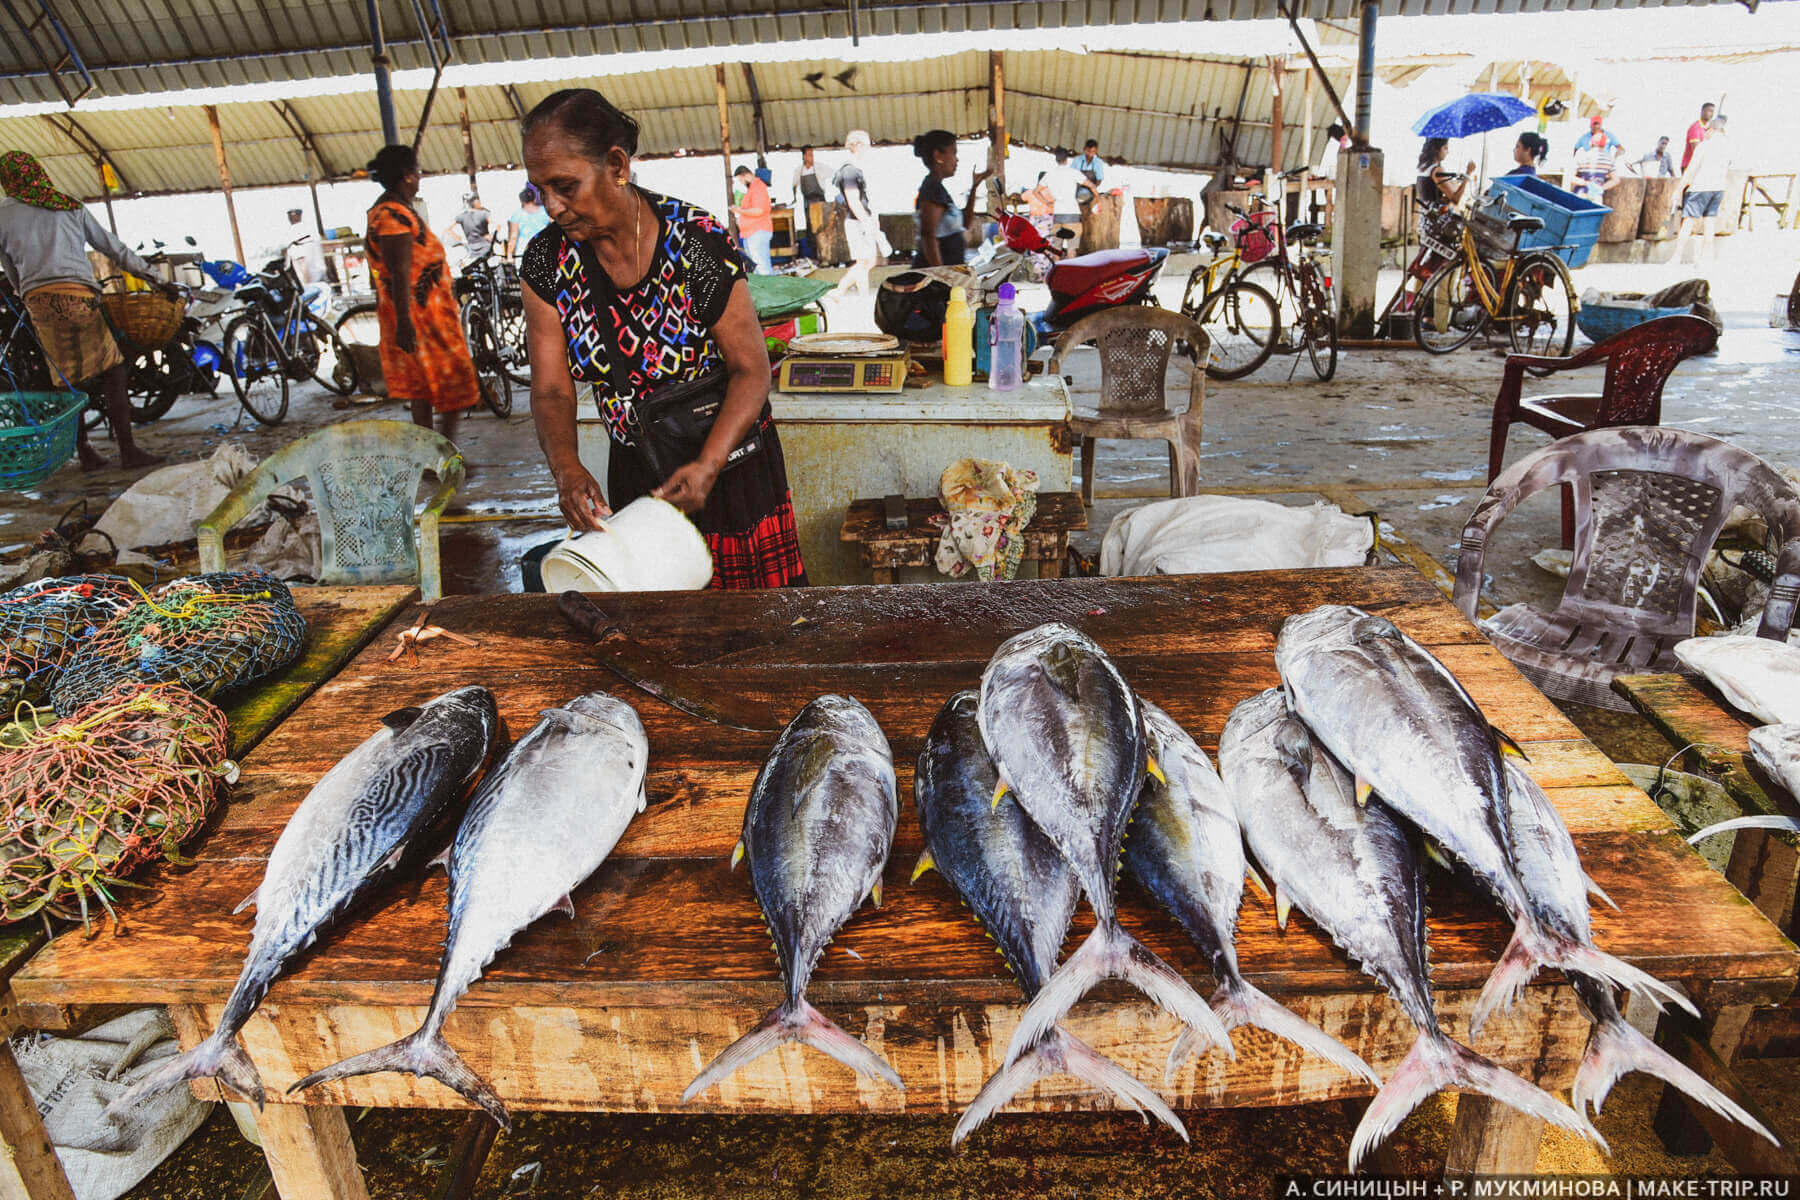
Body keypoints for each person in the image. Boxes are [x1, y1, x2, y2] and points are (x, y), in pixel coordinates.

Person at [519, 88, 805, 589]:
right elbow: (549, 389)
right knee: (659, 636)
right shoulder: (547, 262)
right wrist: (566, 467)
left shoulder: (696, 243)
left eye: (565, 186)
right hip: (638, 475)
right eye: (540, 190)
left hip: (729, 469)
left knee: (754, 635)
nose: (553, 207)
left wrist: (708, 465)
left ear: (616, 164)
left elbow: (750, 370)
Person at [0, 150, 170, 471]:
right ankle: (128, 450)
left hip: (39, 301)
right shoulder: (67, 205)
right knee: (113, 371)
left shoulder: (3, 214)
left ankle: (85, 452)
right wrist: (155, 277)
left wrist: (26, 294)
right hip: (79, 296)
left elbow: (10, 271)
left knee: (65, 380)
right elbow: (112, 247)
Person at [365, 145, 482, 433]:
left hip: (421, 314)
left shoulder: (395, 210)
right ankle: (445, 449)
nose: (419, 178)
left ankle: (434, 451)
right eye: (417, 172)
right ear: (406, 176)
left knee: (423, 388)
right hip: (421, 318)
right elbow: (400, 270)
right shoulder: (392, 215)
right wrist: (405, 321)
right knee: (453, 378)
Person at [911, 130, 990, 268]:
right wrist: (941, 273)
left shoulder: (938, 188)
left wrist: (974, 187)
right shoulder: (932, 189)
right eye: (953, 152)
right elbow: (928, 235)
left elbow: (965, 223)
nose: (956, 159)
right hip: (937, 275)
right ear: (938, 156)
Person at [1674, 115, 1734, 265]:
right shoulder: (1727, 147)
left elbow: (1691, 169)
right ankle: (1707, 259)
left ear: (1712, 130)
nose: (1705, 133)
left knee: (1688, 222)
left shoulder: (1704, 146)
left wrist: (1679, 189)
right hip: (1718, 188)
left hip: (1701, 186)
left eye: (1706, 130)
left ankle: (1677, 256)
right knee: (1709, 224)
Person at [831, 130, 882, 299]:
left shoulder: (856, 170)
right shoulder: (849, 171)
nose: (868, 149)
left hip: (862, 220)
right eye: (867, 145)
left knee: (868, 261)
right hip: (857, 221)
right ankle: (860, 295)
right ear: (858, 145)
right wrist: (867, 221)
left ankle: (841, 291)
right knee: (863, 262)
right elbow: (853, 200)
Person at [732, 165, 774, 275]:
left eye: (741, 180)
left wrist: (739, 210)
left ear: (746, 175)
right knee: (756, 266)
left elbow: (759, 210)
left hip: (757, 231)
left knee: (762, 266)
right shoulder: (752, 188)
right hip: (751, 232)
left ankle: (769, 290)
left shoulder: (758, 188)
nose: (741, 183)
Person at [1570, 125, 1620, 201]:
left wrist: (1586, 183)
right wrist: (1601, 188)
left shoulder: (1582, 157)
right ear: (1604, 145)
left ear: (1591, 143)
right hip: (1596, 197)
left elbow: (1570, 177)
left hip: (1580, 194)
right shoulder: (1608, 160)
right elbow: (1616, 180)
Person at [505, 186, 551, 264]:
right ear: (534, 199)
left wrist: (509, 255)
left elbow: (513, 236)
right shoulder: (545, 212)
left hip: (523, 251)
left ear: (521, 201)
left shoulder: (517, 215)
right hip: (544, 248)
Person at [1415, 138, 1469, 206]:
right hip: (1434, 214)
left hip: (1425, 213)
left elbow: (1432, 197)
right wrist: (1468, 173)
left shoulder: (1423, 167)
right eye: (1445, 148)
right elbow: (1455, 200)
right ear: (1436, 150)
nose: (1447, 152)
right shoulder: (1436, 170)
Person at [790, 146, 826, 241]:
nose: (812, 157)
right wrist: (794, 198)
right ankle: (814, 251)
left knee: (823, 225)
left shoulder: (820, 167)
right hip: (808, 203)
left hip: (821, 201)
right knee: (811, 227)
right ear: (804, 156)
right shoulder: (799, 170)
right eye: (809, 155)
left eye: (812, 155)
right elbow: (794, 185)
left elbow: (833, 177)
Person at [446, 192, 492, 265]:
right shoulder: (461, 216)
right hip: (470, 252)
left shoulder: (483, 212)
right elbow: (449, 230)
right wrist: (460, 239)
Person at [1682, 101, 1716, 172]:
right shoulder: (1695, 128)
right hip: (1689, 167)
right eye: (1709, 111)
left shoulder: (1709, 129)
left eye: (1712, 112)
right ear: (1703, 111)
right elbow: (1697, 151)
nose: (1711, 114)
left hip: (1701, 167)